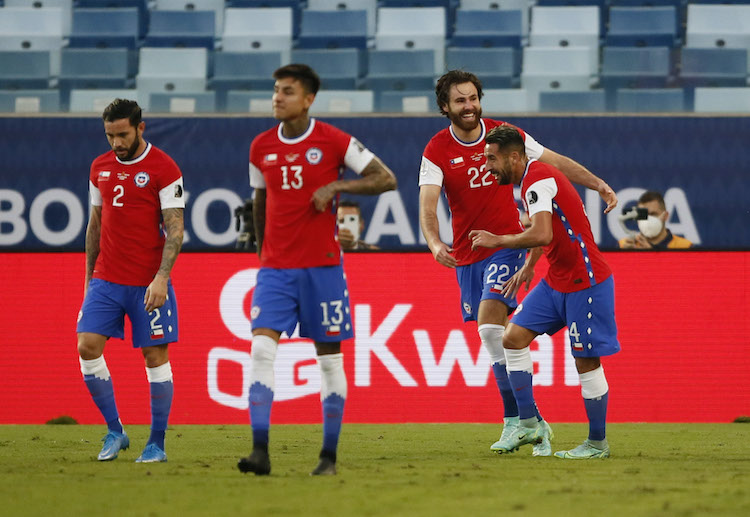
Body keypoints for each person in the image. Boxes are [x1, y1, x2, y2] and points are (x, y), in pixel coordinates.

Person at [419, 70, 618, 456]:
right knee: (501, 338)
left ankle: (525, 423)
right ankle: (531, 422)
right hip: (470, 253)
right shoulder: (437, 149)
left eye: (473, 98)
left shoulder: (508, 140)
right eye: (460, 100)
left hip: (507, 246)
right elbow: (428, 204)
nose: (469, 106)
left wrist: (596, 183)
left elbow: (556, 167)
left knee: (492, 327)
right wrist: (433, 241)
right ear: (445, 107)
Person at [238, 64, 397, 476]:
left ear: (308, 99)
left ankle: (328, 457)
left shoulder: (333, 140)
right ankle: (259, 451)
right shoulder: (260, 146)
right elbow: (260, 201)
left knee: (329, 362)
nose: (278, 97)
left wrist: (336, 186)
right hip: (275, 269)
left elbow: (386, 179)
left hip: (323, 269)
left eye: (287, 91)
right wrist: (262, 252)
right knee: (260, 350)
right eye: (276, 90)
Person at [469, 125, 620, 459]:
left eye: (492, 159)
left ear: (513, 157)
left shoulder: (537, 179)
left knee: (586, 360)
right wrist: (530, 264)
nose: (487, 166)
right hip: (556, 280)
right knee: (512, 338)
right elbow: (551, 228)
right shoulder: (533, 179)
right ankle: (528, 423)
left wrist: (498, 240)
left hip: (585, 281)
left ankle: (597, 443)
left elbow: (541, 232)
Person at [76, 99, 185, 463]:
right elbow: (95, 225)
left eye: (122, 134)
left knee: (155, 357)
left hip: (147, 282)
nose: (116, 143)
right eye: (110, 135)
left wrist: (162, 278)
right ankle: (115, 431)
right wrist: (89, 281)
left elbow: (175, 229)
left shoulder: (164, 167)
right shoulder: (99, 167)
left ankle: (156, 443)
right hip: (106, 279)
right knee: (87, 346)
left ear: (140, 128)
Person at [619, 190, 692, 249]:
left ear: (665, 216)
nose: (647, 219)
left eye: (653, 214)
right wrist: (624, 256)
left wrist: (652, 256)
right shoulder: (623, 245)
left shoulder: (685, 247)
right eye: (643, 215)